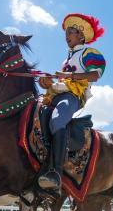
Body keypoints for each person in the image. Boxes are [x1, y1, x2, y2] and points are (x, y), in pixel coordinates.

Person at [38, 13, 106, 193]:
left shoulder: (89, 53)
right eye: (66, 33)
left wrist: (68, 76)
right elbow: (60, 83)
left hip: (73, 97)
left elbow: (95, 75)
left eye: (71, 32)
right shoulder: (66, 59)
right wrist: (47, 83)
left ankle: (56, 173)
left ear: (81, 35)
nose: (67, 36)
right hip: (57, 94)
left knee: (57, 120)